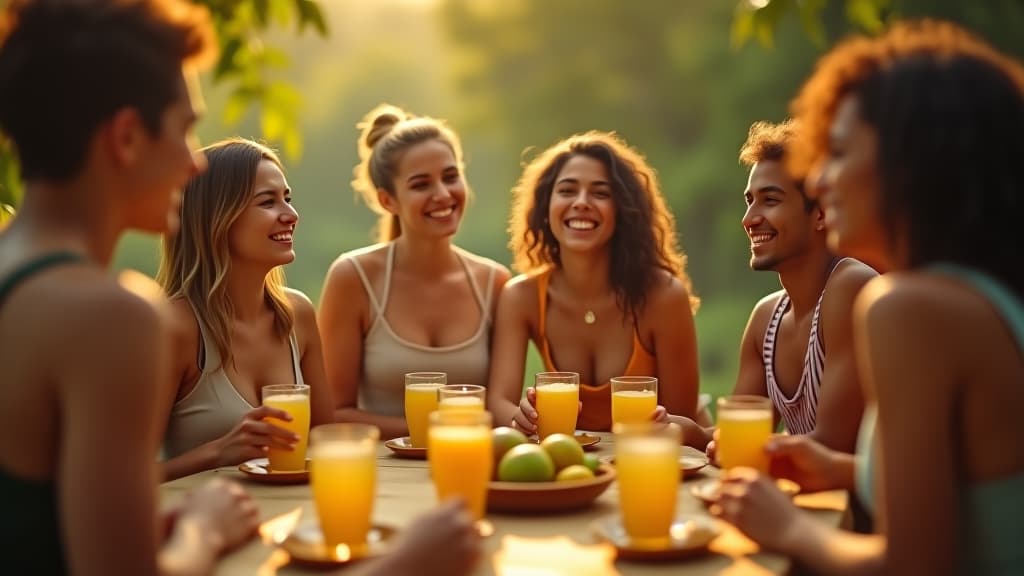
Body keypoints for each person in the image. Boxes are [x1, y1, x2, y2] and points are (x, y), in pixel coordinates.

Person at [714, 20, 1024, 575]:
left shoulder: (908, 309)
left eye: (837, 153)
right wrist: (837, 470)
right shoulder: (982, 295)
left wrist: (792, 530)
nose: (822, 179)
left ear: (911, 162)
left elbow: (914, 565)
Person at [0, 1, 258, 573]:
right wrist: (203, 530)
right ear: (126, 137)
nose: (195, 165)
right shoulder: (112, 316)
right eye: (187, 129)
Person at [488, 131, 701, 434]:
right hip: (569, 464)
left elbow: (680, 420)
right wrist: (521, 417)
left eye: (601, 193)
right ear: (545, 208)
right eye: (567, 191)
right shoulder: (521, 296)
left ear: (623, 212)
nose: (582, 203)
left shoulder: (663, 296)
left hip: (645, 461)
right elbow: (498, 402)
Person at [318, 104, 509, 441]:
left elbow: (499, 406)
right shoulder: (353, 278)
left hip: (470, 465)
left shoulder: (494, 282)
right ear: (387, 200)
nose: (443, 194)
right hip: (381, 476)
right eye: (421, 184)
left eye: (451, 177)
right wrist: (433, 431)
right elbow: (334, 412)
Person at [685, 120, 876, 454]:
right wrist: (689, 432)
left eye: (769, 200)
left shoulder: (851, 288)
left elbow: (831, 448)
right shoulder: (765, 320)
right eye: (749, 201)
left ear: (821, 213)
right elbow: (737, 434)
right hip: (810, 502)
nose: (749, 218)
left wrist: (735, 447)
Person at [157, 138, 335, 481]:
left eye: (288, 198)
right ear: (217, 218)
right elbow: (119, 481)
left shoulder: (297, 314)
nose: (291, 215)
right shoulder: (174, 328)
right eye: (268, 202)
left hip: (286, 525)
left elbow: (329, 444)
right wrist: (216, 453)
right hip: (204, 527)